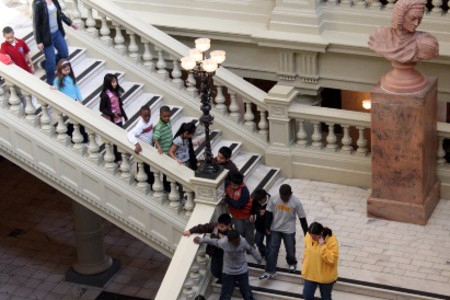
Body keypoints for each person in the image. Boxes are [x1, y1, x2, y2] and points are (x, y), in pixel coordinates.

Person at [194, 230, 262, 300]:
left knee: (246, 292)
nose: (238, 243)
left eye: (238, 240)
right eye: (236, 242)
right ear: (229, 241)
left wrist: (258, 258)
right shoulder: (223, 242)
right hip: (228, 272)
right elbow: (213, 241)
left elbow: (250, 249)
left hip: (242, 271)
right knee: (226, 295)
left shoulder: (243, 241)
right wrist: (201, 240)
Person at [259, 184, 308, 280]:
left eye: (286, 197)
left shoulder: (296, 202)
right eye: (282, 197)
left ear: (291, 194)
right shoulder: (274, 198)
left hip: (289, 229)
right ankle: (270, 271)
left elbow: (302, 217)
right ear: (279, 194)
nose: (284, 199)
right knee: (273, 249)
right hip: (275, 228)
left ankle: (292, 263)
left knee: (290, 249)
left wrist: (306, 233)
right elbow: (268, 212)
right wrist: (267, 226)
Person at [368, 0, 438, 63]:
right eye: (412, 18)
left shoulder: (425, 41)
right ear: (400, 16)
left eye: (419, 18)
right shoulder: (380, 35)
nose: (416, 23)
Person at [32, 0, 78, 85]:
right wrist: (39, 41)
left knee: (64, 54)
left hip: (57, 32)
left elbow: (59, 13)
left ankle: (45, 64)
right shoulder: (38, 3)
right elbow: (36, 23)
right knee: (52, 63)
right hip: (46, 36)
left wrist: (70, 23)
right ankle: (51, 82)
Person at [183, 213, 232, 281]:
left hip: (227, 254)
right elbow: (203, 227)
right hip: (215, 252)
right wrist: (190, 231)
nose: (219, 228)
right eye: (219, 225)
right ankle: (222, 278)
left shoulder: (233, 234)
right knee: (215, 271)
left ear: (228, 225)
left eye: (222, 226)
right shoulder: (215, 226)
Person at [52, 59, 88, 143]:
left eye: (68, 69)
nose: (67, 71)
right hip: (67, 103)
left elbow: (76, 87)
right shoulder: (57, 80)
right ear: (60, 70)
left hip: (75, 101)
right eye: (65, 70)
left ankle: (75, 134)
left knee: (77, 119)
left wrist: (80, 98)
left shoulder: (70, 77)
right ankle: (78, 135)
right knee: (75, 119)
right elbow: (56, 87)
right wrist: (54, 88)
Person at [302, 222, 339, 300]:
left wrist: (322, 245)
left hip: (325, 275)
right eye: (311, 236)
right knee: (307, 295)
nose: (312, 238)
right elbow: (307, 247)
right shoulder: (309, 235)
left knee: (326, 297)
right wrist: (305, 257)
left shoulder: (331, 240)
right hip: (310, 273)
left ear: (321, 233)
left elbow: (332, 259)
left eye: (314, 237)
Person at [99, 73, 128, 162]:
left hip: (118, 119)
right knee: (116, 138)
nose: (115, 83)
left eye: (116, 81)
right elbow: (101, 109)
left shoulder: (116, 92)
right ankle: (117, 156)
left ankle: (120, 154)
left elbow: (120, 105)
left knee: (120, 136)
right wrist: (112, 114)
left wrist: (125, 116)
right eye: (113, 82)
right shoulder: (105, 95)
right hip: (111, 120)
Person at [224, 171, 254, 247]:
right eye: (232, 184)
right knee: (240, 232)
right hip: (236, 215)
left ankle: (250, 248)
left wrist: (227, 199)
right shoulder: (228, 186)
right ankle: (242, 246)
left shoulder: (244, 191)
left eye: (235, 185)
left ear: (240, 184)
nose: (233, 187)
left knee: (249, 234)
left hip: (246, 215)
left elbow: (240, 205)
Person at [127, 105, 155, 185]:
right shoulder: (140, 125)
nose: (147, 118)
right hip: (144, 148)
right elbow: (130, 134)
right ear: (141, 115)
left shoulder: (150, 120)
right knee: (144, 166)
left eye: (148, 115)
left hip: (150, 145)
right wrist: (136, 144)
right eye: (145, 116)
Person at [152, 105, 173, 191]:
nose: (167, 118)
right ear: (160, 115)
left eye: (168, 116)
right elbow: (155, 138)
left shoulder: (169, 122)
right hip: (164, 151)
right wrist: (159, 147)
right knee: (166, 171)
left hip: (169, 148)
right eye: (164, 116)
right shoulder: (159, 127)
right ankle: (166, 187)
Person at [250, 188, 270, 259]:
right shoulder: (256, 200)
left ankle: (269, 258)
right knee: (257, 241)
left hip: (270, 227)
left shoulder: (272, 202)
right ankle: (263, 252)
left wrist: (266, 212)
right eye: (258, 201)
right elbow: (253, 208)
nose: (260, 203)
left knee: (269, 245)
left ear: (265, 197)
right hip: (259, 226)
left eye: (261, 201)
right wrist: (252, 214)